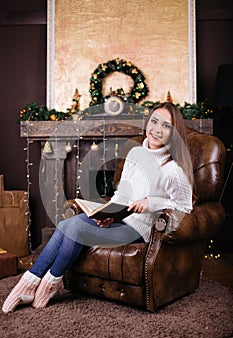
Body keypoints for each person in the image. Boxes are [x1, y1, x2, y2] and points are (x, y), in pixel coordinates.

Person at [2, 102, 193, 314]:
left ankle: (43, 285)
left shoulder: (172, 170)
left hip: (140, 231)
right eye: (154, 121)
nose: (157, 129)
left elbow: (185, 207)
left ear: (174, 133)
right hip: (122, 220)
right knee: (67, 224)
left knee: (74, 228)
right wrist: (110, 214)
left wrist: (152, 203)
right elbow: (123, 194)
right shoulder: (135, 153)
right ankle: (31, 282)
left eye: (166, 126)